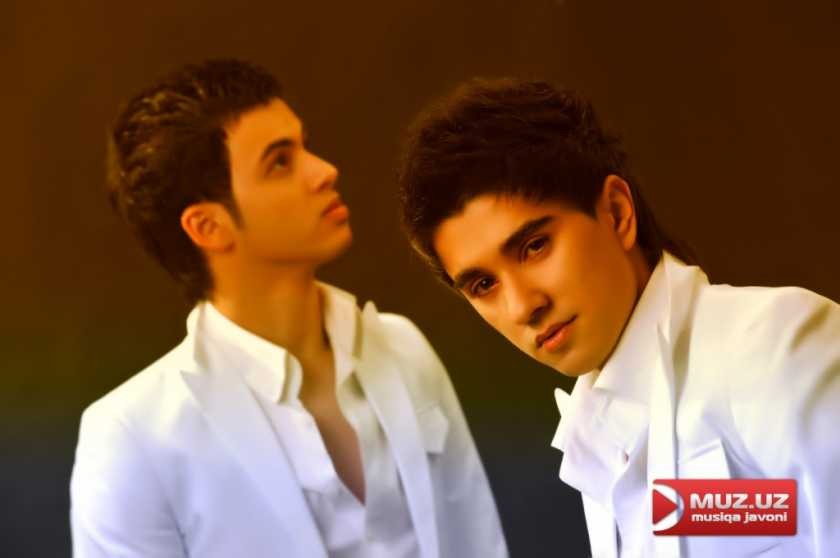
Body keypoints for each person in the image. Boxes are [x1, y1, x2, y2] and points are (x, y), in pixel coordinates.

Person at [70, 59, 508, 558]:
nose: (324, 171)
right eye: (280, 162)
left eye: (305, 147)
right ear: (208, 226)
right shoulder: (132, 436)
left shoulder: (403, 349)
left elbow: (479, 545)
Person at [397, 77, 840, 557]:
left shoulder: (773, 344)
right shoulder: (591, 431)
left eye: (535, 246)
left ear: (616, 212)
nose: (523, 306)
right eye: (484, 285)